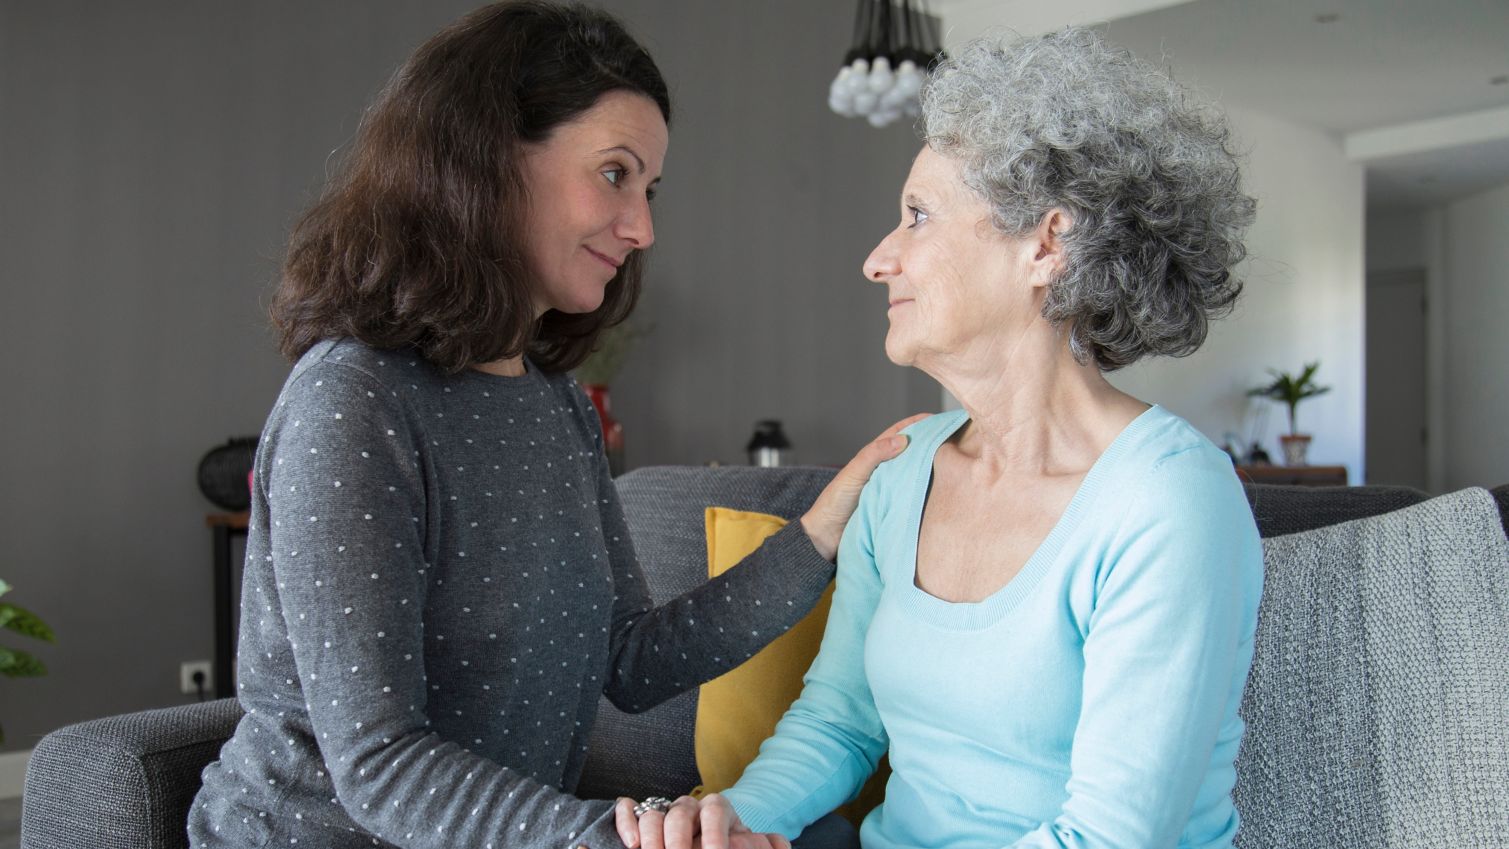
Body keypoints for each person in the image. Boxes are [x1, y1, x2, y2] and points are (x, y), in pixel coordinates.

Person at [186, 3, 917, 847]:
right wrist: (617, 833)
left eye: (648, 189)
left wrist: (819, 533)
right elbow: (381, 762)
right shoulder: (353, 402)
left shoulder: (555, 402)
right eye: (614, 173)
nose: (642, 227)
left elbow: (631, 659)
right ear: (488, 160)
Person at [618, 27, 1263, 849]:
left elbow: (1109, 836)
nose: (878, 259)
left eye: (916, 217)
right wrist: (731, 821)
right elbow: (840, 723)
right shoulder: (903, 471)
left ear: (1045, 244)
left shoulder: (1169, 499)